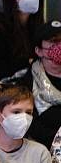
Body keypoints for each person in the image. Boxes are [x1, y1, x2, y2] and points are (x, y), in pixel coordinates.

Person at [17, 21, 61, 149]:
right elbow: (30, 123)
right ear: (39, 50)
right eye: (53, 42)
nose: (59, 46)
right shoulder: (27, 82)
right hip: (46, 147)